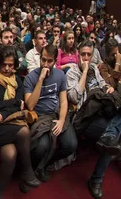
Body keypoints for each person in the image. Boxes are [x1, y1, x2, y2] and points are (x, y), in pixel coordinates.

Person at [66, 41, 121, 199]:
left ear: (92, 56)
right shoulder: (72, 73)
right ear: (78, 55)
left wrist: (108, 88)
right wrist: (84, 72)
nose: (85, 58)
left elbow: (102, 84)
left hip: (101, 109)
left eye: (89, 55)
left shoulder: (94, 69)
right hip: (85, 117)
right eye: (83, 54)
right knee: (111, 137)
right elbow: (74, 97)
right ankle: (96, 179)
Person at [0, 46, 40, 198]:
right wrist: (13, 104)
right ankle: (27, 171)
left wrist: (6, 110)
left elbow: (18, 104)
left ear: (15, 66)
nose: (6, 68)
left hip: (9, 125)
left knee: (10, 153)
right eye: (4, 64)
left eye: (10, 65)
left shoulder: (17, 80)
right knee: (24, 131)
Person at [24, 44, 77, 182]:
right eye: (43, 60)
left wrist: (61, 120)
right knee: (42, 147)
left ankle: (44, 165)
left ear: (55, 61)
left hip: (56, 114)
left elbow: (64, 102)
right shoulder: (31, 77)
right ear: (40, 58)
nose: (46, 64)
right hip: (39, 117)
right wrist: (40, 80)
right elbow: (30, 105)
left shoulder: (60, 75)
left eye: (49, 61)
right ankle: (37, 167)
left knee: (71, 145)